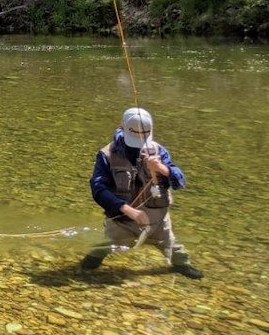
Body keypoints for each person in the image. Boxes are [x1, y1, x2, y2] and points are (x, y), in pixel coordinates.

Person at [80, 107, 202, 278]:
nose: (139, 144)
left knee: (173, 247)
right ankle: (86, 267)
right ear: (121, 128)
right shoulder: (106, 155)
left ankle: (182, 266)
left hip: (158, 220)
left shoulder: (158, 151)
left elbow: (180, 181)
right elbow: (98, 189)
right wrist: (125, 208)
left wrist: (161, 168)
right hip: (122, 220)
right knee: (105, 246)